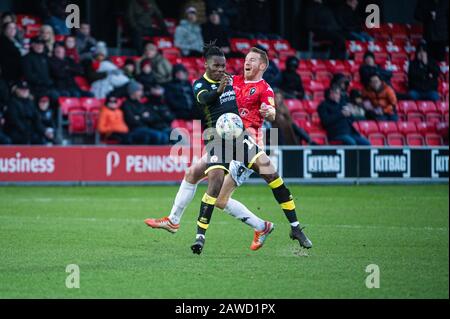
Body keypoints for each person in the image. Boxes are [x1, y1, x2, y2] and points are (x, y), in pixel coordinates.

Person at [145, 46, 312, 254]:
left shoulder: (264, 89)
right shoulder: (234, 80)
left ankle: (266, 226)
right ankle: (173, 220)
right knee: (193, 173)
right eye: (246, 59)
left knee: (220, 199)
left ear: (262, 66)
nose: (246, 62)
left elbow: (270, 111)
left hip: (246, 142)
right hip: (225, 139)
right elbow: (209, 96)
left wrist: (270, 112)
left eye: (252, 60)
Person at [122, 80, 171, 145]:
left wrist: (139, 117)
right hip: (135, 130)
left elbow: (152, 117)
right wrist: (143, 117)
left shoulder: (141, 104)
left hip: (147, 128)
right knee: (158, 135)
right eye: (139, 91)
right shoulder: (126, 104)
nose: (141, 93)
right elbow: (131, 120)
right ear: (133, 92)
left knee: (165, 136)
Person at [22, 37, 60, 103]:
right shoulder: (27, 58)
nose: (40, 46)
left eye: (41, 44)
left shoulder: (45, 57)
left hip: (48, 87)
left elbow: (52, 72)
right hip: (35, 88)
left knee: (59, 95)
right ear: (32, 45)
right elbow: (28, 75)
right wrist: (42, 81)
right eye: (37, 44)